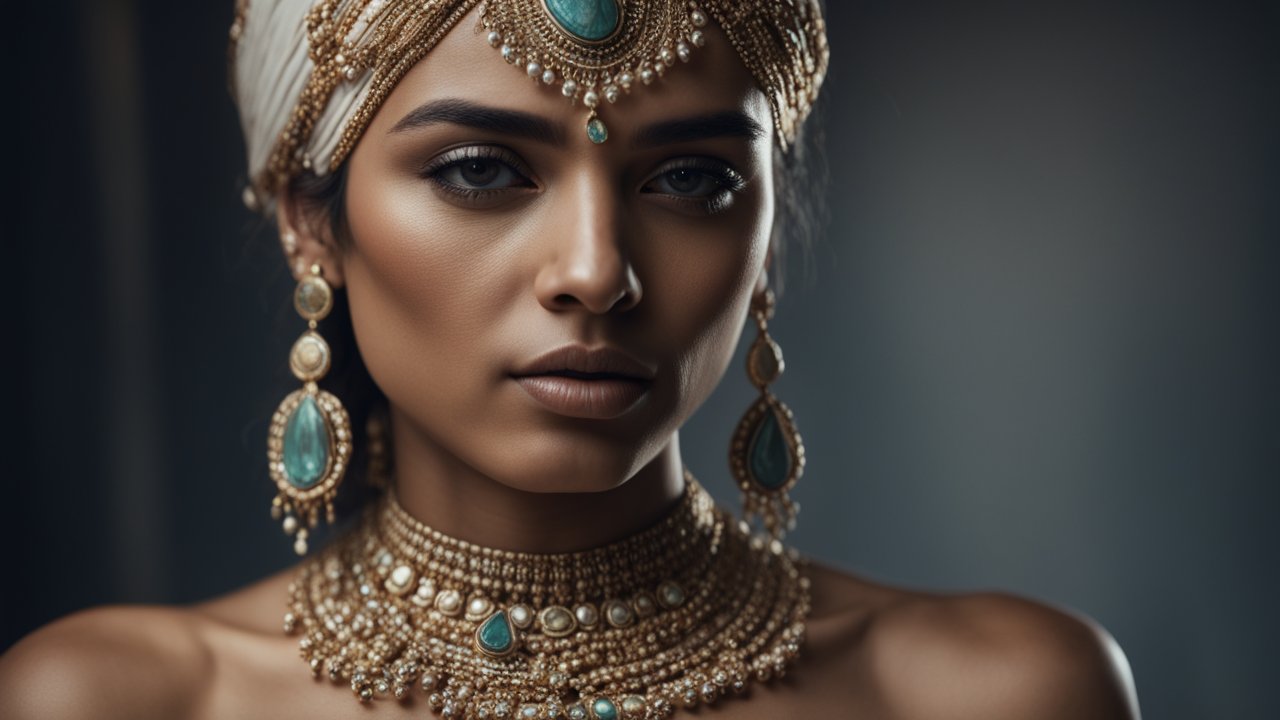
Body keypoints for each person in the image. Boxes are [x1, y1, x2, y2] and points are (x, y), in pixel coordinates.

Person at [0, 1, 1141, 718]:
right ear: (311, 218)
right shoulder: (117, 701)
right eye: (482, 170)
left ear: (763, 228)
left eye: (688, 179)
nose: (595, 272)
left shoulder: (998, 693)